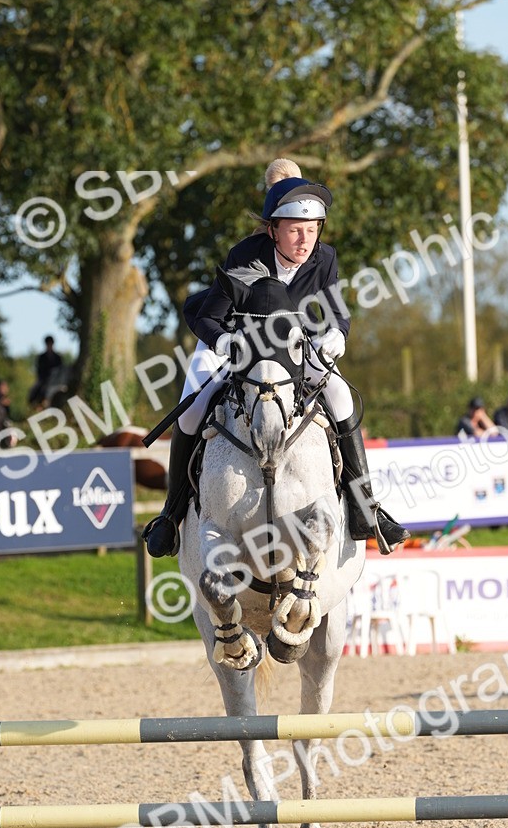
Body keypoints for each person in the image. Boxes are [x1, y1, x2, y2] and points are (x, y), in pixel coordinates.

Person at [143, 172, 410, 558]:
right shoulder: (245, 256)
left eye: (312, 230)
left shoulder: (325, 257)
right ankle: (171, 516)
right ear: (273, 231)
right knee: (191, 410)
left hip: (291, 345)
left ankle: (365, 508)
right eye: (295, 231)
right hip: (234, 340)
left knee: (339, 394)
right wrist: (223, 341)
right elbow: (209, 317)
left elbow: (337, 311)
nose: (305, 240)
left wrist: (338, 333)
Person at [29, 335, 64, 406]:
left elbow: (61, 369)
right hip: (44, 379)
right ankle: (34, 403)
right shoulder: (41, 357)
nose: (49, 345)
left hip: (56, 380)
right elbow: (39, 370)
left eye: (50, 343)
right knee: (34, 389)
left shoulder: (58, 357)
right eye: (48, 344)